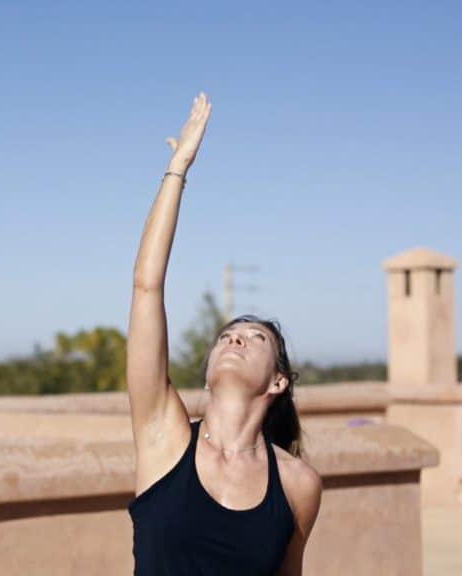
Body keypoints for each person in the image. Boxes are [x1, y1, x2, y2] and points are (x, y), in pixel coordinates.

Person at [127, 93, 322, 576]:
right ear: (210, 371)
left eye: (255, 338)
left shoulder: (298, 484)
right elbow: (147, 288)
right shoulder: (164, 438)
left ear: (278, 381)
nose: (235, 339)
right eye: (227, 335)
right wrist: (178, 170)